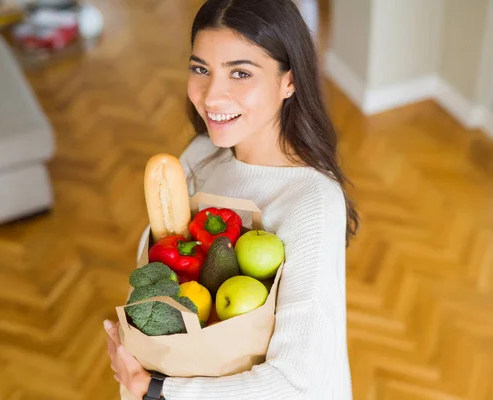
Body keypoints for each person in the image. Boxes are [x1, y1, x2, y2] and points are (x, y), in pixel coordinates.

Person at [104, 0, 360, 398]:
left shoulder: (312, 202)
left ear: (289, 81)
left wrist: (154, 388)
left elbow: (294, 383)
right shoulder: (200, 155)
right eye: (200, 69)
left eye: (240, 73)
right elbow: (157, 256)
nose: (211, 96)